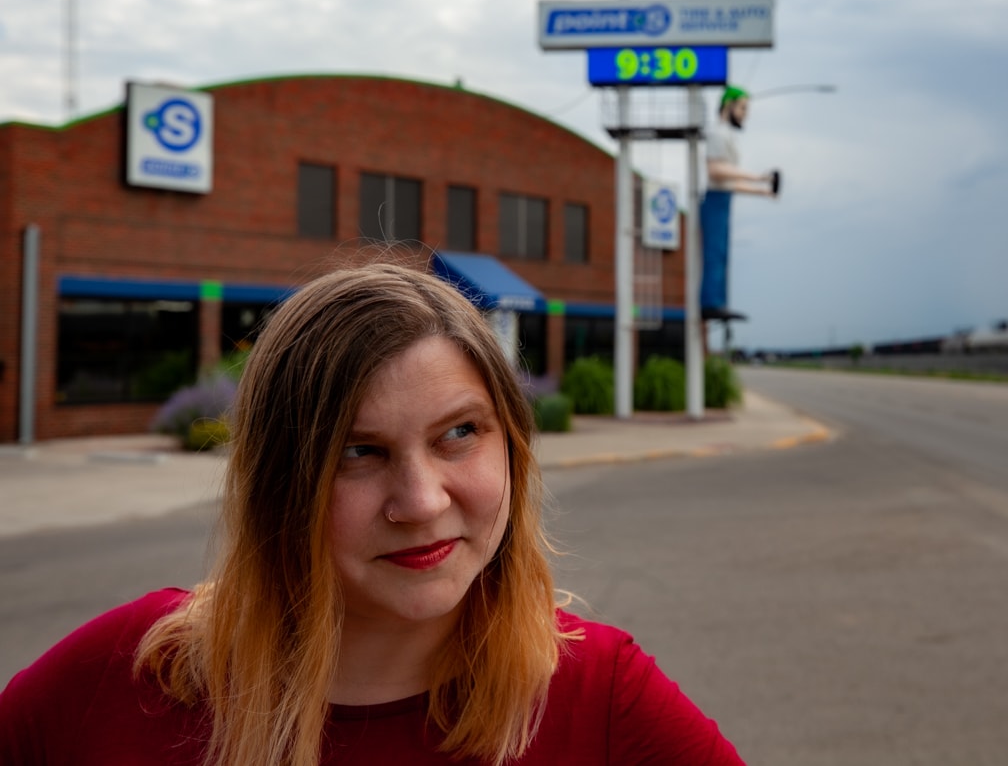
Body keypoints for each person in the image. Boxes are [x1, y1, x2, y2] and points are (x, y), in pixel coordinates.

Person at [0, 262, 744, 765]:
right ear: (280, 485)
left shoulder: (599, 698)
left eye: (460, 433)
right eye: (358, 451)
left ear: (511, 448)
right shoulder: (131, 674)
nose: (421, 501)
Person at [700, 86, 779, 321]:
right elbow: (715, 171)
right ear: (728, 106)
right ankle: (710, 302)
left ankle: (718, 301)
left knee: (721, 254)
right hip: (714, 201)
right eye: (743, 107)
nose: (746, 113)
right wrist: (758, 177)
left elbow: (729, 182)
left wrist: (762, 192)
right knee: (714, 253)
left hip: (723, 199)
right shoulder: (717, 133)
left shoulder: (727, 135)